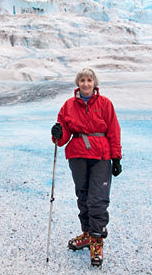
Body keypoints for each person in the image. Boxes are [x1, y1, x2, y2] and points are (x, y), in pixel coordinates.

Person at [51, 67, 122, 267]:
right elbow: (62, 137)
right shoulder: (68, 106)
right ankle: (87, 234)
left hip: (101, 155)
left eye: (89, 80)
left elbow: (114, 130)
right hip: (78, 156)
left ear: (95, 83)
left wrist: (116, 158)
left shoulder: (105, 104)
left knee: (98, 198)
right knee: (83, 196)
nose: (86, 84)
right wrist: (57, 132)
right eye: (82, 80)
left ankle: (97, 239)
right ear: (77, 83)